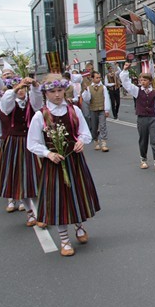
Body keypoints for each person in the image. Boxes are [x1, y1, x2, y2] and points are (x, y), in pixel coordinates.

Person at [27, 74, 101, 257]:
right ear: (46, 93)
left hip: (74, 160)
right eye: (52, 91)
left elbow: (84, 132)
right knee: (59, 200)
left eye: (60, 90)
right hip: (55, 163)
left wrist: (81, 141)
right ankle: (64, 240)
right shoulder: (40, 115)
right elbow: (33, 143)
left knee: (76, 194)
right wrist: (48, 153)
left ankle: (79, 226)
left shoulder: (72, 110)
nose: (57, 95)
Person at [0, 77, 44, 224]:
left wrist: (34, 85)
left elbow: (38, 101)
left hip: (32, 143)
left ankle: (39, 213)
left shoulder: (31, 104)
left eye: (23, 89)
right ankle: (30, 213)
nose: (21, 91)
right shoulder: (6, 106)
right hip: (14, 145)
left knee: (35, 180)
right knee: (21, 181)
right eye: (18, 89)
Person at [119, 63, 155, 171]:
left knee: (154, 139)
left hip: (153, 118)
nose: (142, 82)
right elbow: (126, 83)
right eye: (141, 80)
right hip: (142, 118)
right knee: (143, 140)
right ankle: (143, 159)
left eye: (145, 80)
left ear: (150, 81)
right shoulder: (137, 91)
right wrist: (125, 71)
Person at [81, 71, 110, 152]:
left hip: (101, 109)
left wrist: (106, 109)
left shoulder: (103, 87)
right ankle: (96, 141)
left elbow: (106, 98)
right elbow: (87, 99)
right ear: (92, 78)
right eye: (97, 77)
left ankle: (104, 143)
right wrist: (86, 91)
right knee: (94, 127)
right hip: (93, 110)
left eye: (99, 77)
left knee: (103, 125)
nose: (98, 79)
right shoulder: (89, 88)